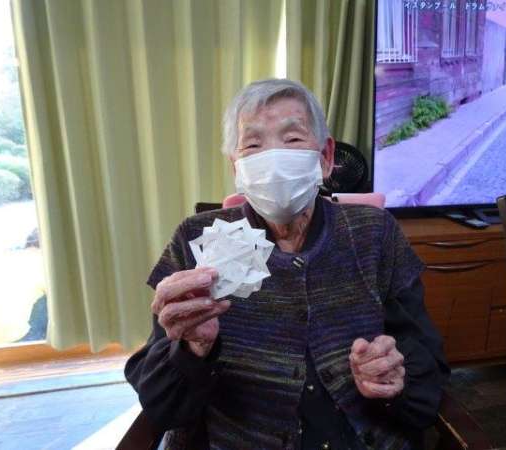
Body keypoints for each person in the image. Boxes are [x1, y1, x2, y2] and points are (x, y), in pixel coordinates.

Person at [125, 79, 449, 450]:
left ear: (326, 157)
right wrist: (191, 351)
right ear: (236, 168)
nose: (274, 159)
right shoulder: (196, 241)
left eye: (293, 139)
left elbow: (424, 357)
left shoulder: (375, 233)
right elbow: (163, 408)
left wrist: (393, 378)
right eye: (253, 144)